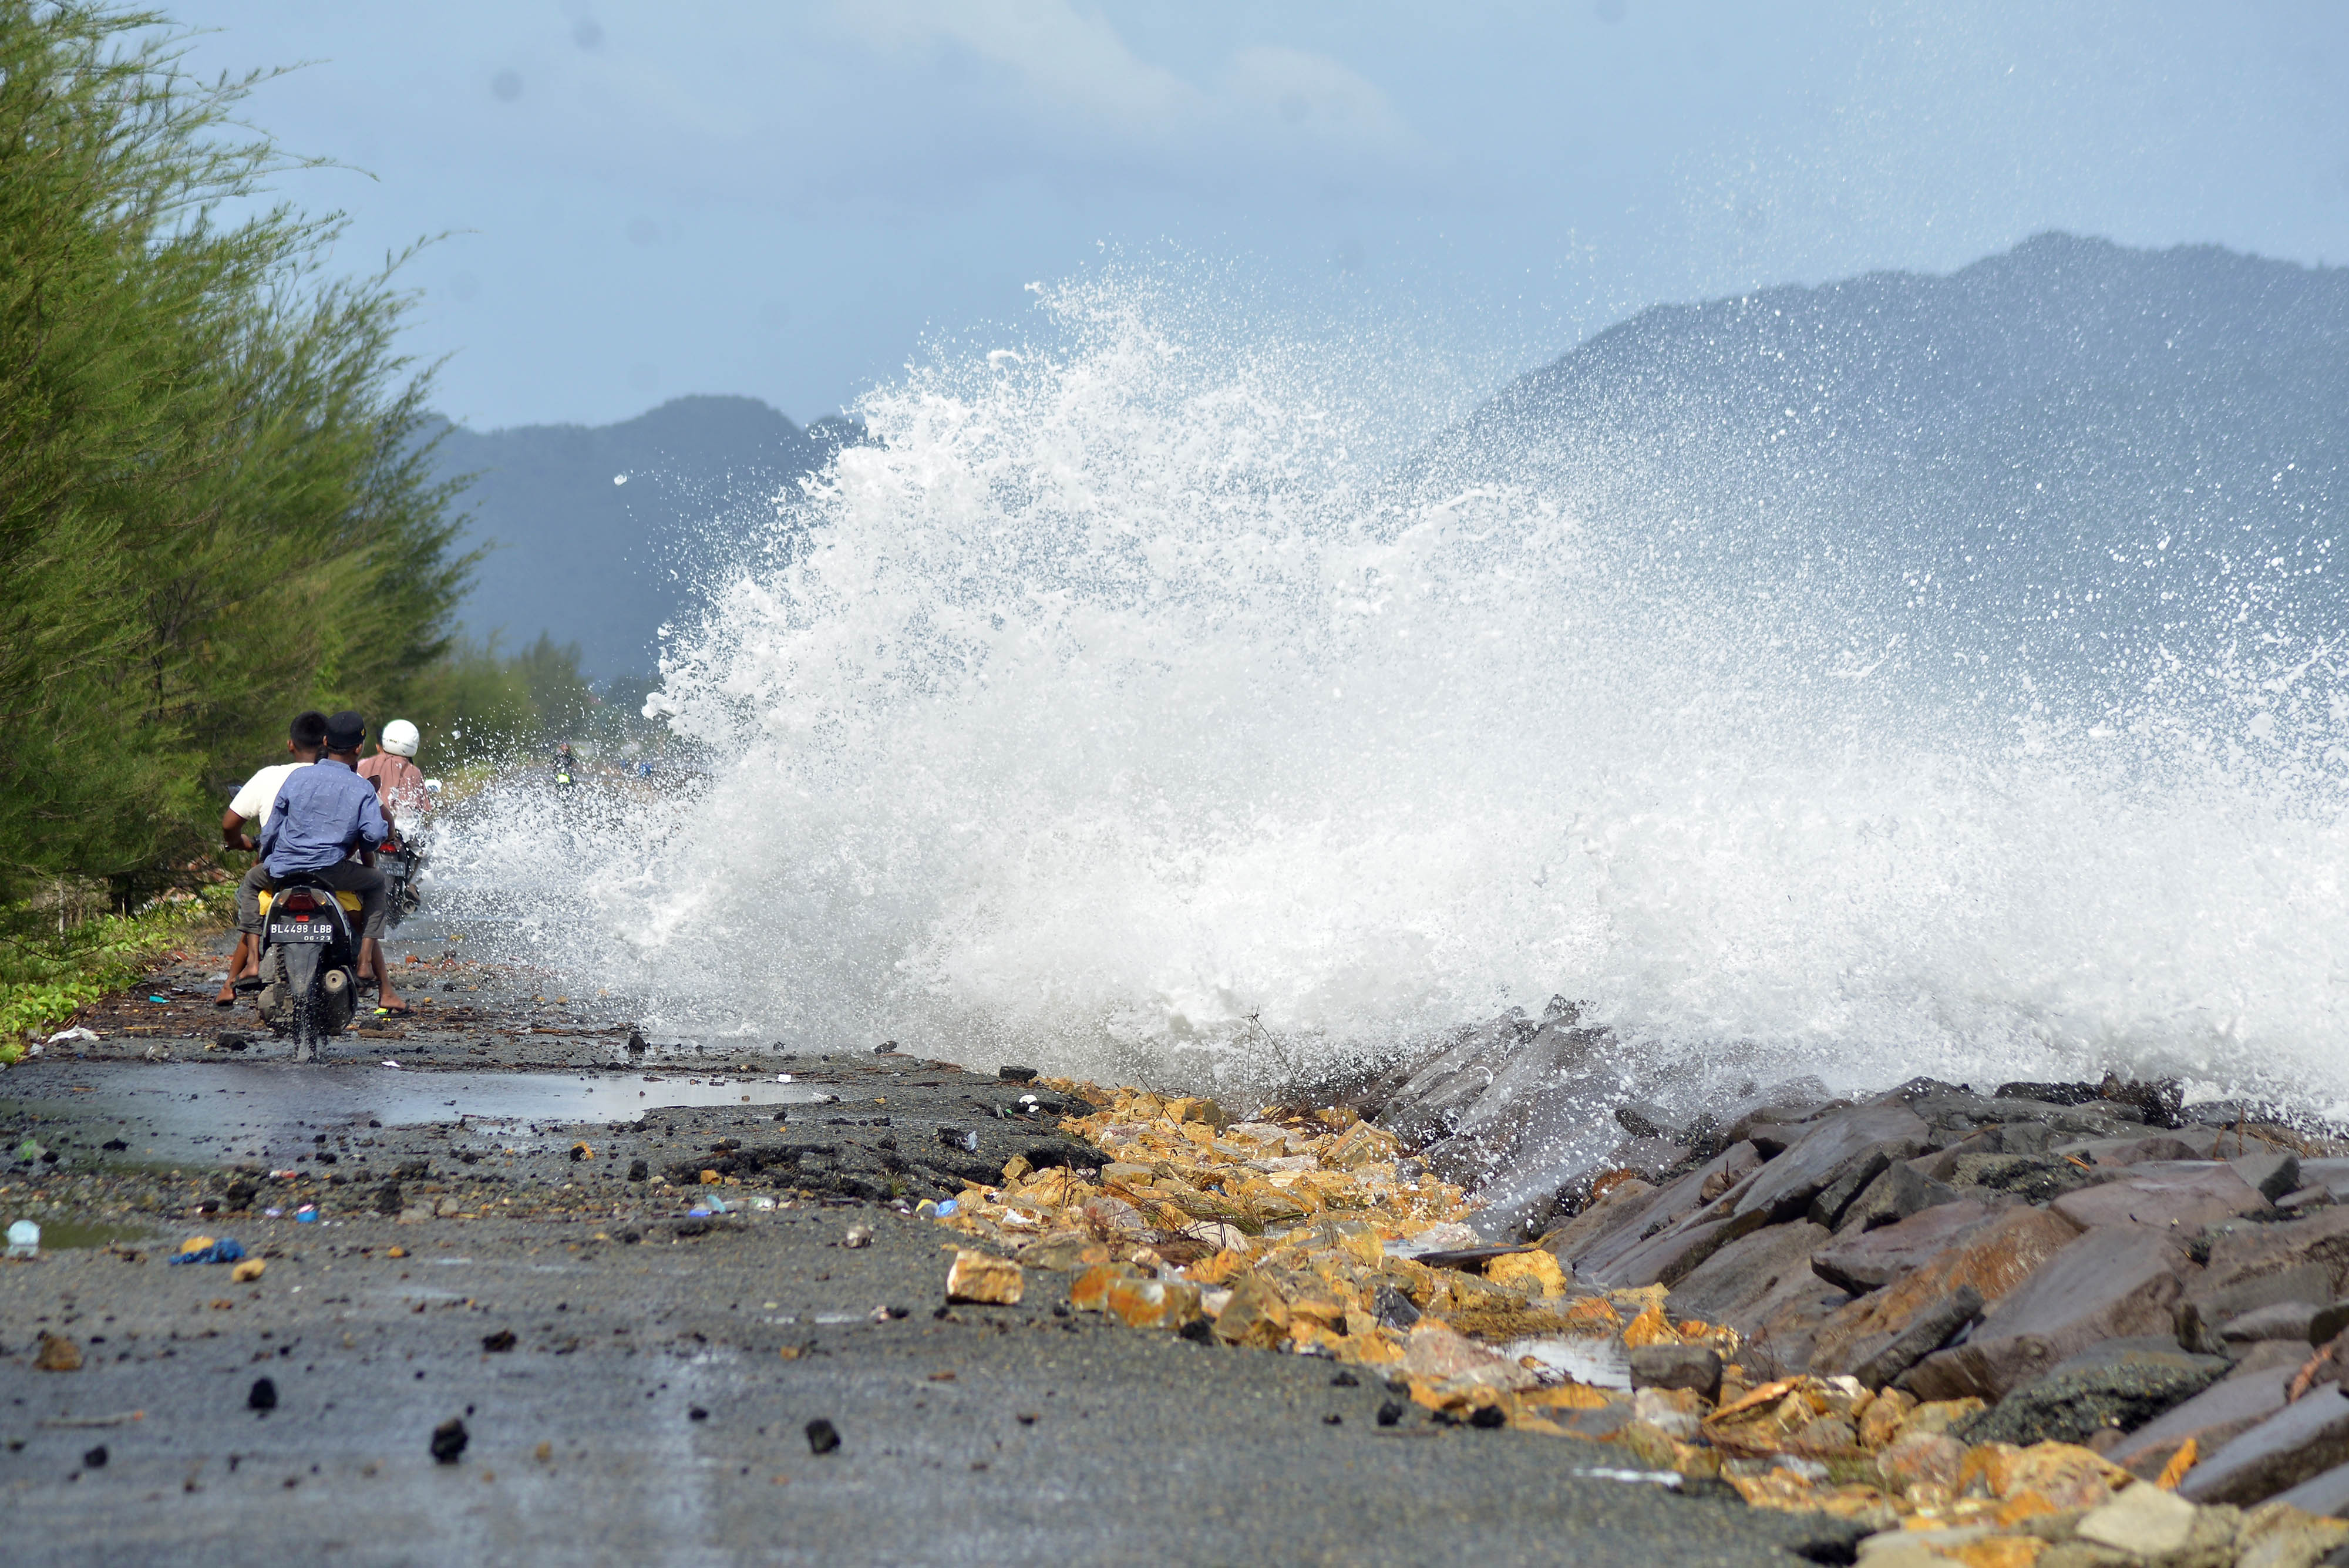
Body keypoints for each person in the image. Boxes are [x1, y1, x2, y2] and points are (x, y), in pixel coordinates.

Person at [248, 709, 408, 1015]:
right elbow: (374, 835)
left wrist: (268, 858)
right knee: (376, 885)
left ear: (325, 741)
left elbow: (271, 830)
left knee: (249, 884)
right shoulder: (361, 787)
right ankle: (363, 963)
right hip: (331, 873)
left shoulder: (297, 777)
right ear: (358, 749)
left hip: (285, 871)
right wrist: (362, 842)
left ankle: (253, 960)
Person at [216, 711, 328, 1005]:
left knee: (253, 905)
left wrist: (237, 843)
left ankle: (231, 981)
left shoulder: (268, 776)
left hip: (278, 869)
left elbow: (229, 824)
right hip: (328, 869)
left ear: (291, 744)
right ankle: (378, 980)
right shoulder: (341, 776)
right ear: (327, 744)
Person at [358, 718, 429, 837]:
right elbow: (420, 810)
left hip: (366, 829)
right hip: (400, 833)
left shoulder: (363, 764)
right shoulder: (413, 772)